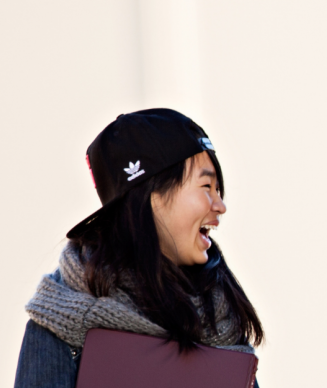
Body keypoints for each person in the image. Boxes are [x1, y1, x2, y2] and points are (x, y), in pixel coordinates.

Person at [14, 109, 264, 388]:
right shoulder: (61, 316)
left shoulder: (220, 312)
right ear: (151, 197)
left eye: (219, 190)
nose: (220, 206)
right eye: (206, 186)